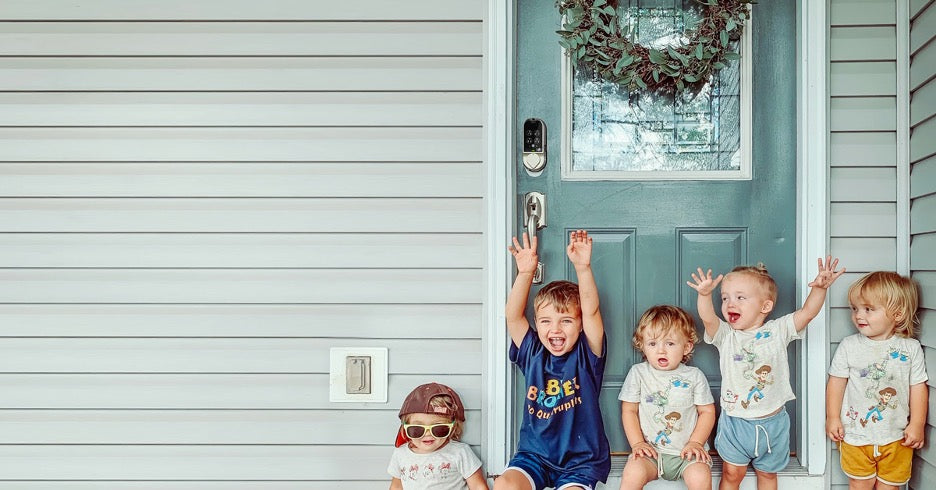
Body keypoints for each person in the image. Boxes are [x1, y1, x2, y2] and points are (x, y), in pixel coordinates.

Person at [687, 256, 845, 490]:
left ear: (765, 306)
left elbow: (807, 313)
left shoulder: (778, 330)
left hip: (773, 422)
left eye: (740, 298)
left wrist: (820, 288)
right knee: (732, 474)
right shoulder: (726, 335)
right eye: (725, 298)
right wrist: (704, 295)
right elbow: (707, 317)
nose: (730, 304)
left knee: (768, 475)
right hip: (736, 422)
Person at [496, 230, 610, 490]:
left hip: (580, 461)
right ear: (536, 324)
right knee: (505, 485)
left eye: (566, 321)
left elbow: (591, 310)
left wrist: (583, 268)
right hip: (534, 456)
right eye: (546, 321)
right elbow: (513, 316)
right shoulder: (532, 351)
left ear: (580, 325)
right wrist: (525, 273)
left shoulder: (587, 353)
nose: (555, 329)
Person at [825, 271, 927, 490]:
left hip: (896, 436)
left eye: (868, 309)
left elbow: (918, 387)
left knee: (889, 486)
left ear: (897, 314)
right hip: (856, 435)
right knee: (859, 484)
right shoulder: (849, 346)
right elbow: (836, 382)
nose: (858, 316)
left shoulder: (910, 348)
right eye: (855, 309)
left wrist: (917, 424)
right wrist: (832, 417)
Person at [618, 305, 716, 490]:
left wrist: (696, 442)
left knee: (700, 477)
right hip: (651, 453)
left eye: (670, 343)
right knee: (633, 473)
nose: (661, 351)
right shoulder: (638, 373)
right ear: (642, 345)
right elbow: (629, 410)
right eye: (652, 344)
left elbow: (707, 412)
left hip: (687, 454)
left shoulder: (694, 376)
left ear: (686, 347)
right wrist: (637, 443)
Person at [388, 382, 489, 490]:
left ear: (453, 427)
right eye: (417, 429)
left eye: (438, 428)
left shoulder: (460, 452)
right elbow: (396, 487)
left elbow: (478, 486)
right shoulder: (400, 454)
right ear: (405, 428)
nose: (428, 434)